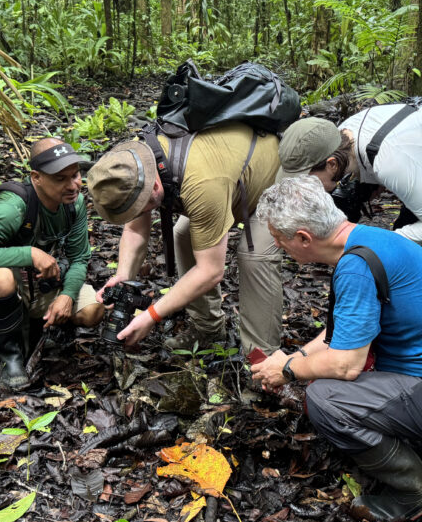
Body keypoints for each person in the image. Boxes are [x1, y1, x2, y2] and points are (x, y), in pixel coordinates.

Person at [250, 176, 422, 522]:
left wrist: (289, 370)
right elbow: (341, 333)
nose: (279, 247)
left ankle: (416, 493)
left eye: (279, 239)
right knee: (322, 377)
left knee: (326, 397)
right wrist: (293, 359)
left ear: (304, 238)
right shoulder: (368, 241)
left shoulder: (357, 266)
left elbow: (346, 364)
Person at [87, 123, 282, 353]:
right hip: (224, 181)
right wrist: (123, 276)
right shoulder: (133, 166)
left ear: (156, 186)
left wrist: (151, 315)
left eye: (142, 207)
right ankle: (208, 328)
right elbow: (135, 230)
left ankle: (264, 358)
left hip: (270, 182)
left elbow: (211, 271)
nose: (140, 214)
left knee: (254, 255)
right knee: (183, 235)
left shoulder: (201, 184)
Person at [277, 107, 422, 284]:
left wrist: (376, 246)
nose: (306, 188)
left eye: (308, 180)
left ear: (331, 164)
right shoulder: (342, 134)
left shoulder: (391, 161)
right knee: (397, 272)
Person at [0, 138, 104, 391]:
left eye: (76, 174)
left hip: (40, 283)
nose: (73, 185)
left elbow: (79, 258)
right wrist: (29, 254)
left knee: (93, 309)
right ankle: (11, 358)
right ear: (37, 177)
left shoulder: (74, 203)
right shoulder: (12, 207)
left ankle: (45, 327)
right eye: (60, 178)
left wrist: (66, 296)